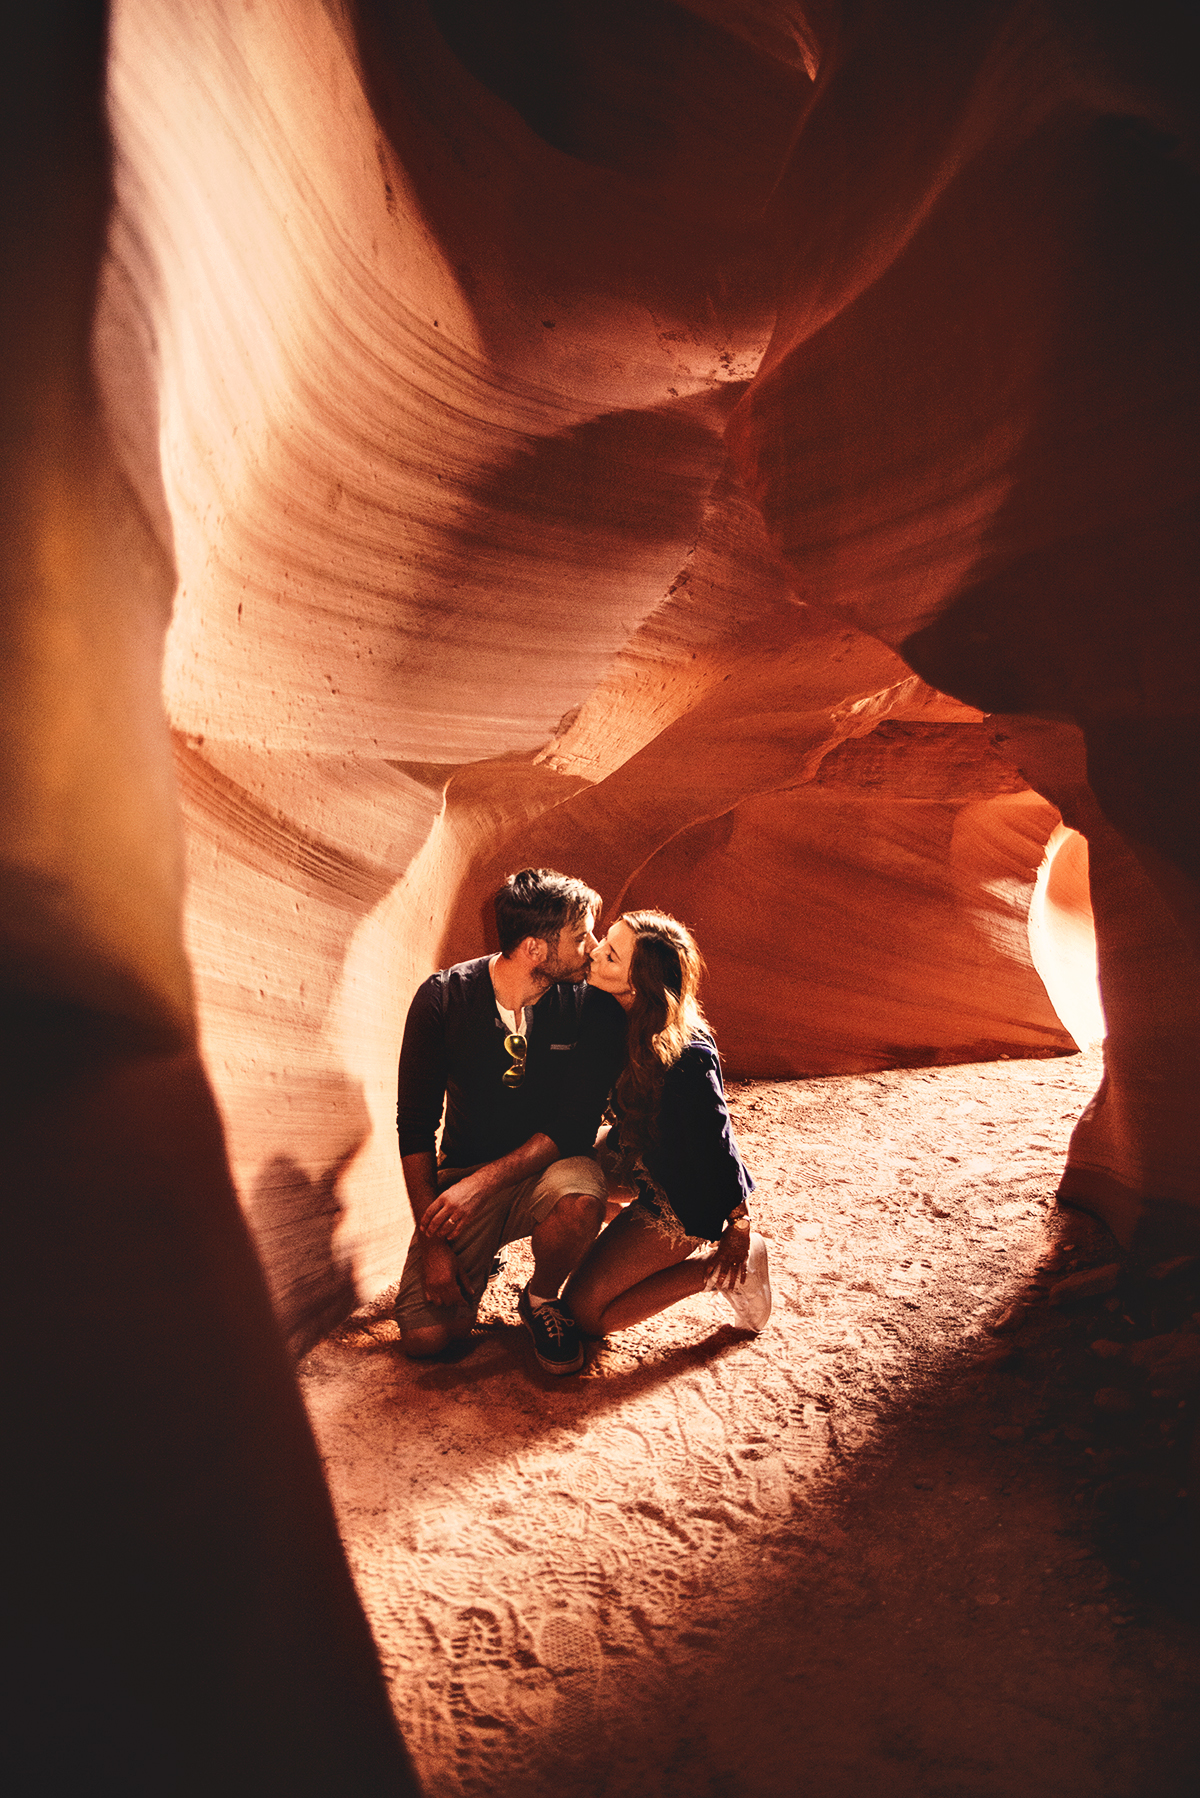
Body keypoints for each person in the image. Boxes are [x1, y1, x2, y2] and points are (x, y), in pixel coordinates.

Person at [394, 868, 626, 1373]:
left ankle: (542, 1300)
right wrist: (435, 1244)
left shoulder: (594, 1008)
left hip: (545, 1170)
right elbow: (414, 1126)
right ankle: (482, 1257)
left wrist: (480, 1186)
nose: (593, 945)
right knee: (427, 1339)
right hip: (463, 1174)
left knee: (580, 1199)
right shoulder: (442, 999)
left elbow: (572, 1128)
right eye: (580, 933)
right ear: (535, 950)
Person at [563, 909, 771, 1342]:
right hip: (638, 1157)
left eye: (612, 957)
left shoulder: (686, 1056)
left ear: (637, 985)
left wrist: (738, 1226)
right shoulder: (610, 1008)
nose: (595, 954)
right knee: (556, 1174)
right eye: (606, 941)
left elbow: (717, 1143)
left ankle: (727, 1272)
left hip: (682, 1194)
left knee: (584, 1314)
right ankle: (613, 1220)